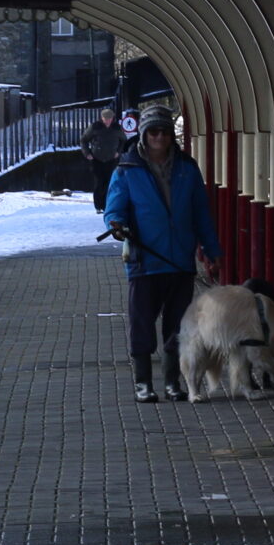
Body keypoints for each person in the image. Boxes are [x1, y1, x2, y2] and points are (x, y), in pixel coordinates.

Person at [101, 101, 220, 403]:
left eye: (164, 132)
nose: (159, 137)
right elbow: (115, 207)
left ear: (172, 135)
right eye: (153, 131)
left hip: (180, 260)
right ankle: (143, 382)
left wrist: (212, 249)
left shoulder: (187, 168)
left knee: (178, 325)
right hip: (144, 260)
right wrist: (117, 224)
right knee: (142, 323)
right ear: (143, 134)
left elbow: (200, 212)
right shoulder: (127, 169)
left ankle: (173, 381)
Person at [74, 105, 127, 198]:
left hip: (111, 159)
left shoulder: (117, 128)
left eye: (109, 118)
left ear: (112, 118)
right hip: (96, 159)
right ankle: (98, 205)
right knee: (99, 182)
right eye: (105, 118)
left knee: (110, 182)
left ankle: (107, 204)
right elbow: (83, 140)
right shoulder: (95, 127)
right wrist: (87, 153)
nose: (107, 121)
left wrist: (118, 151)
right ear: (102, 118)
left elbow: (123, 140)